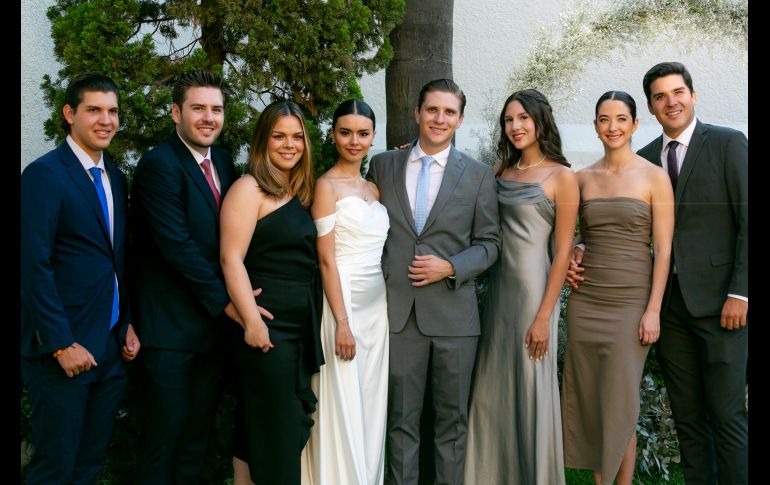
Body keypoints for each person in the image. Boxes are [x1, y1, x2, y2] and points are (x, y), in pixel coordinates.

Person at [366, 78, 500, 485]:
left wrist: (451, 267)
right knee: (401, 423)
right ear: (417, 113)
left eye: (449, 112)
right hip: (399, 317)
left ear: (459, 119)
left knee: (451, 425)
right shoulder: (384, 165)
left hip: (454, 319)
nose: (439, 119)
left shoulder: (478, 175)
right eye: (432, 110)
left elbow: (490, 244)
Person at [21, 72, 140, 484]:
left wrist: (125, 324)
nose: (105, 120)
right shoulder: (44, 175)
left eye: (112, 111)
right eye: (94, 110)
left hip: (108, 348)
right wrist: (59, 344)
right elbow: (32, 265)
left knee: (89, 468)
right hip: (63, 351)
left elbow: (115, 259)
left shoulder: (116, 177)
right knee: (55, 469)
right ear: (69, 114)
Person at [130, 69, 245, 484]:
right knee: (164, 440)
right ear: (176, 112)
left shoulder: (225, 161)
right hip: (170, 332)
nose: (208, 117)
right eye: (198, 108)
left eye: (216, 109)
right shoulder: (159, 165)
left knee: (196, 440)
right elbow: (177, 247)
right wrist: (231, 300)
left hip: (211, 333)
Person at [638, 62, 747, 483]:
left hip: (723, 306)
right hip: (669, 309)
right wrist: (581, 245)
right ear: (651, 106)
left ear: (693, 95)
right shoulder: (645, 158)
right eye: (661, 96)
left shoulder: (727, 143)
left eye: (678, 91)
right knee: (688, 419)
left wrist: (741, 292)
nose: (672, 101)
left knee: (727, 416)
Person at [463, 89, 578, 485]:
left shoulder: (562, 176)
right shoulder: (498, 171)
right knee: (491, 387)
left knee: (530, 386)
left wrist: (545, 316)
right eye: (509, 120)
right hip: (496, 293)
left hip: (534, 295)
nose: (515, 126)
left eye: (523, 118)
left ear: (540, 121)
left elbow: (563, 251)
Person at [561, 90, 674, 485]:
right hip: (587, 300)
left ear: (634, 124)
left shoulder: (654, 177)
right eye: (605, 119)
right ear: (595, 126)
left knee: (620, 401)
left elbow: (663, 251)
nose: (613, 127)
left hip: (631, 302)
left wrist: (653, 309)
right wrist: (576, 249)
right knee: (592, 399)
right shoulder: (582, 178)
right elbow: (575, 236)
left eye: (621, 119)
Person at [221, 99, 324, 485]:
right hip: (267, 329)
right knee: (277, 435)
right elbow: (231, 259)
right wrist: (250, 320)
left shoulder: (299, 191)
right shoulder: (249, 189)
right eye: (279, 136)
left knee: (256, 433)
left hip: (298, 326)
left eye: (297, 137)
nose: (289, 144)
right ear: (263, 140)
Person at [300, 99, 390, 485]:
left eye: (363, 133)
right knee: (342, 403)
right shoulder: (325, 186)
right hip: (343, 304)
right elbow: (326, 261)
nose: (354, 141)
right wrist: (341, 323)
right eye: (345, 132)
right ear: (333, 135)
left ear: (373, 137)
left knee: (370, 403)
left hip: (377, 308)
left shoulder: (374, 187)